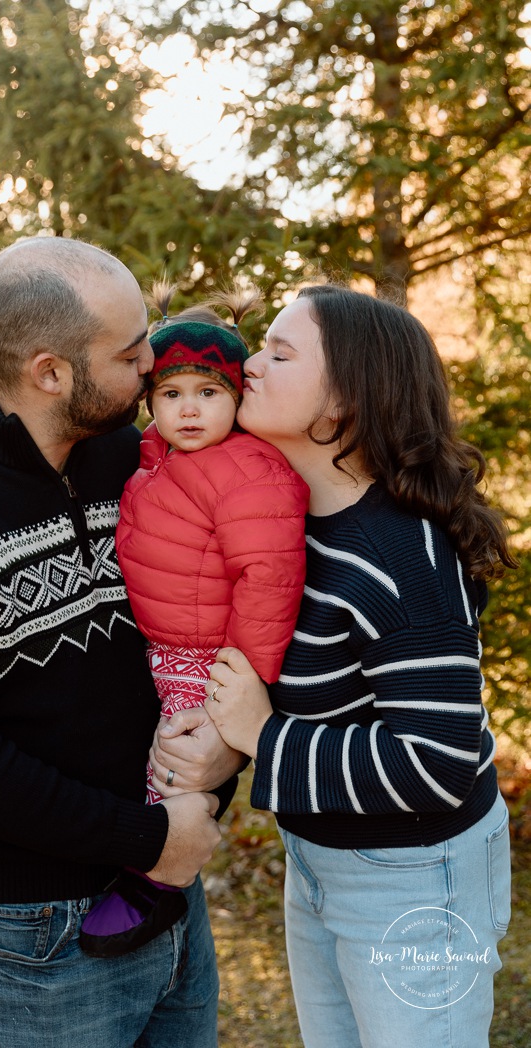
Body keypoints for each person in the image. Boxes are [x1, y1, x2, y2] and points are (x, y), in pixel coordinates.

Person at [0, 237, 244, 1048]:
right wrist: (150, 839)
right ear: (51, 372)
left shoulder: (138, 456)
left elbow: (211, 619)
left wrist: (218, 768)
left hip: (168, 883)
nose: (154, 366)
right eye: (132, 352)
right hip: (31, 928)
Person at [156, 283, 515, 1048]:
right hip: (321, 857)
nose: (249, 364)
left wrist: (261, 734)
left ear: (343, 404)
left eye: (279, 353)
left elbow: (437, 759)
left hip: (416, 873)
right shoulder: (287, 522)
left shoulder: (400, 553)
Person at [79, 283, 310, 957]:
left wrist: (238, 688)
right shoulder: (157, 456)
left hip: (208, 652)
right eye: (172, 393)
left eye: (208, 394)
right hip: (161, 641)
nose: (188, 409)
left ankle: (159, 878)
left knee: (180, 764)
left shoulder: (246, 469)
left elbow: (269, 580)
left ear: (236, 398)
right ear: (149, 402)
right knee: (142, 751)